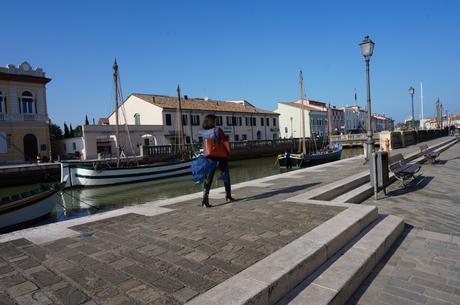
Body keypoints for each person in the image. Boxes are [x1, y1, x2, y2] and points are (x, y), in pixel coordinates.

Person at [199, 114, 235, 208]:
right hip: (220, 155)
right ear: (212, 121)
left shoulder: (202, 132)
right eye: (215, 121)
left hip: (209, 156)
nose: (216, 122)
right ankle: (228, 196)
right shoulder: (217, 130)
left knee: (208, 179)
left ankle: (204, 200)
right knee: (225, 175)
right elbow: (224, 140)